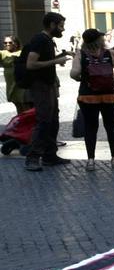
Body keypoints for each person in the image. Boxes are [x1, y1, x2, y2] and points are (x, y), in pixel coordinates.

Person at [71, 29, 114, 170]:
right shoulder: (109, 53)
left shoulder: (81, 54)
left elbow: (74, 73)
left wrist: (83, 77)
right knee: (110, 126)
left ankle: (91, 161)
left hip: (88, 96)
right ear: (99, 40)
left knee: (91, 128)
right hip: (110, 95)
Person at [24, 12, 71, 171]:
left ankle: (50, 156)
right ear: (52, 25)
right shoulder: (39, 39)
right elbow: (31, 64)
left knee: (53, 120)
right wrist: (57, 61)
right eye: (61, 26)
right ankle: (33, 157)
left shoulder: (48, 41)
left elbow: (44, 60)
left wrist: (62, 55)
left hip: (48, 85)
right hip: (40, 86)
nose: (63, 30)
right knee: (44, 121)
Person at [1, 36, 30, 113]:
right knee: (16, 103)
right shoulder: (3, 53)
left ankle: (27, 122)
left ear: (16, 44)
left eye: (10, 42)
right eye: (5, 43)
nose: (7, 44)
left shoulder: (22, 53)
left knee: (24, 103)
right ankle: (21, 121)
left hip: (20, 82)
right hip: (10, 83)